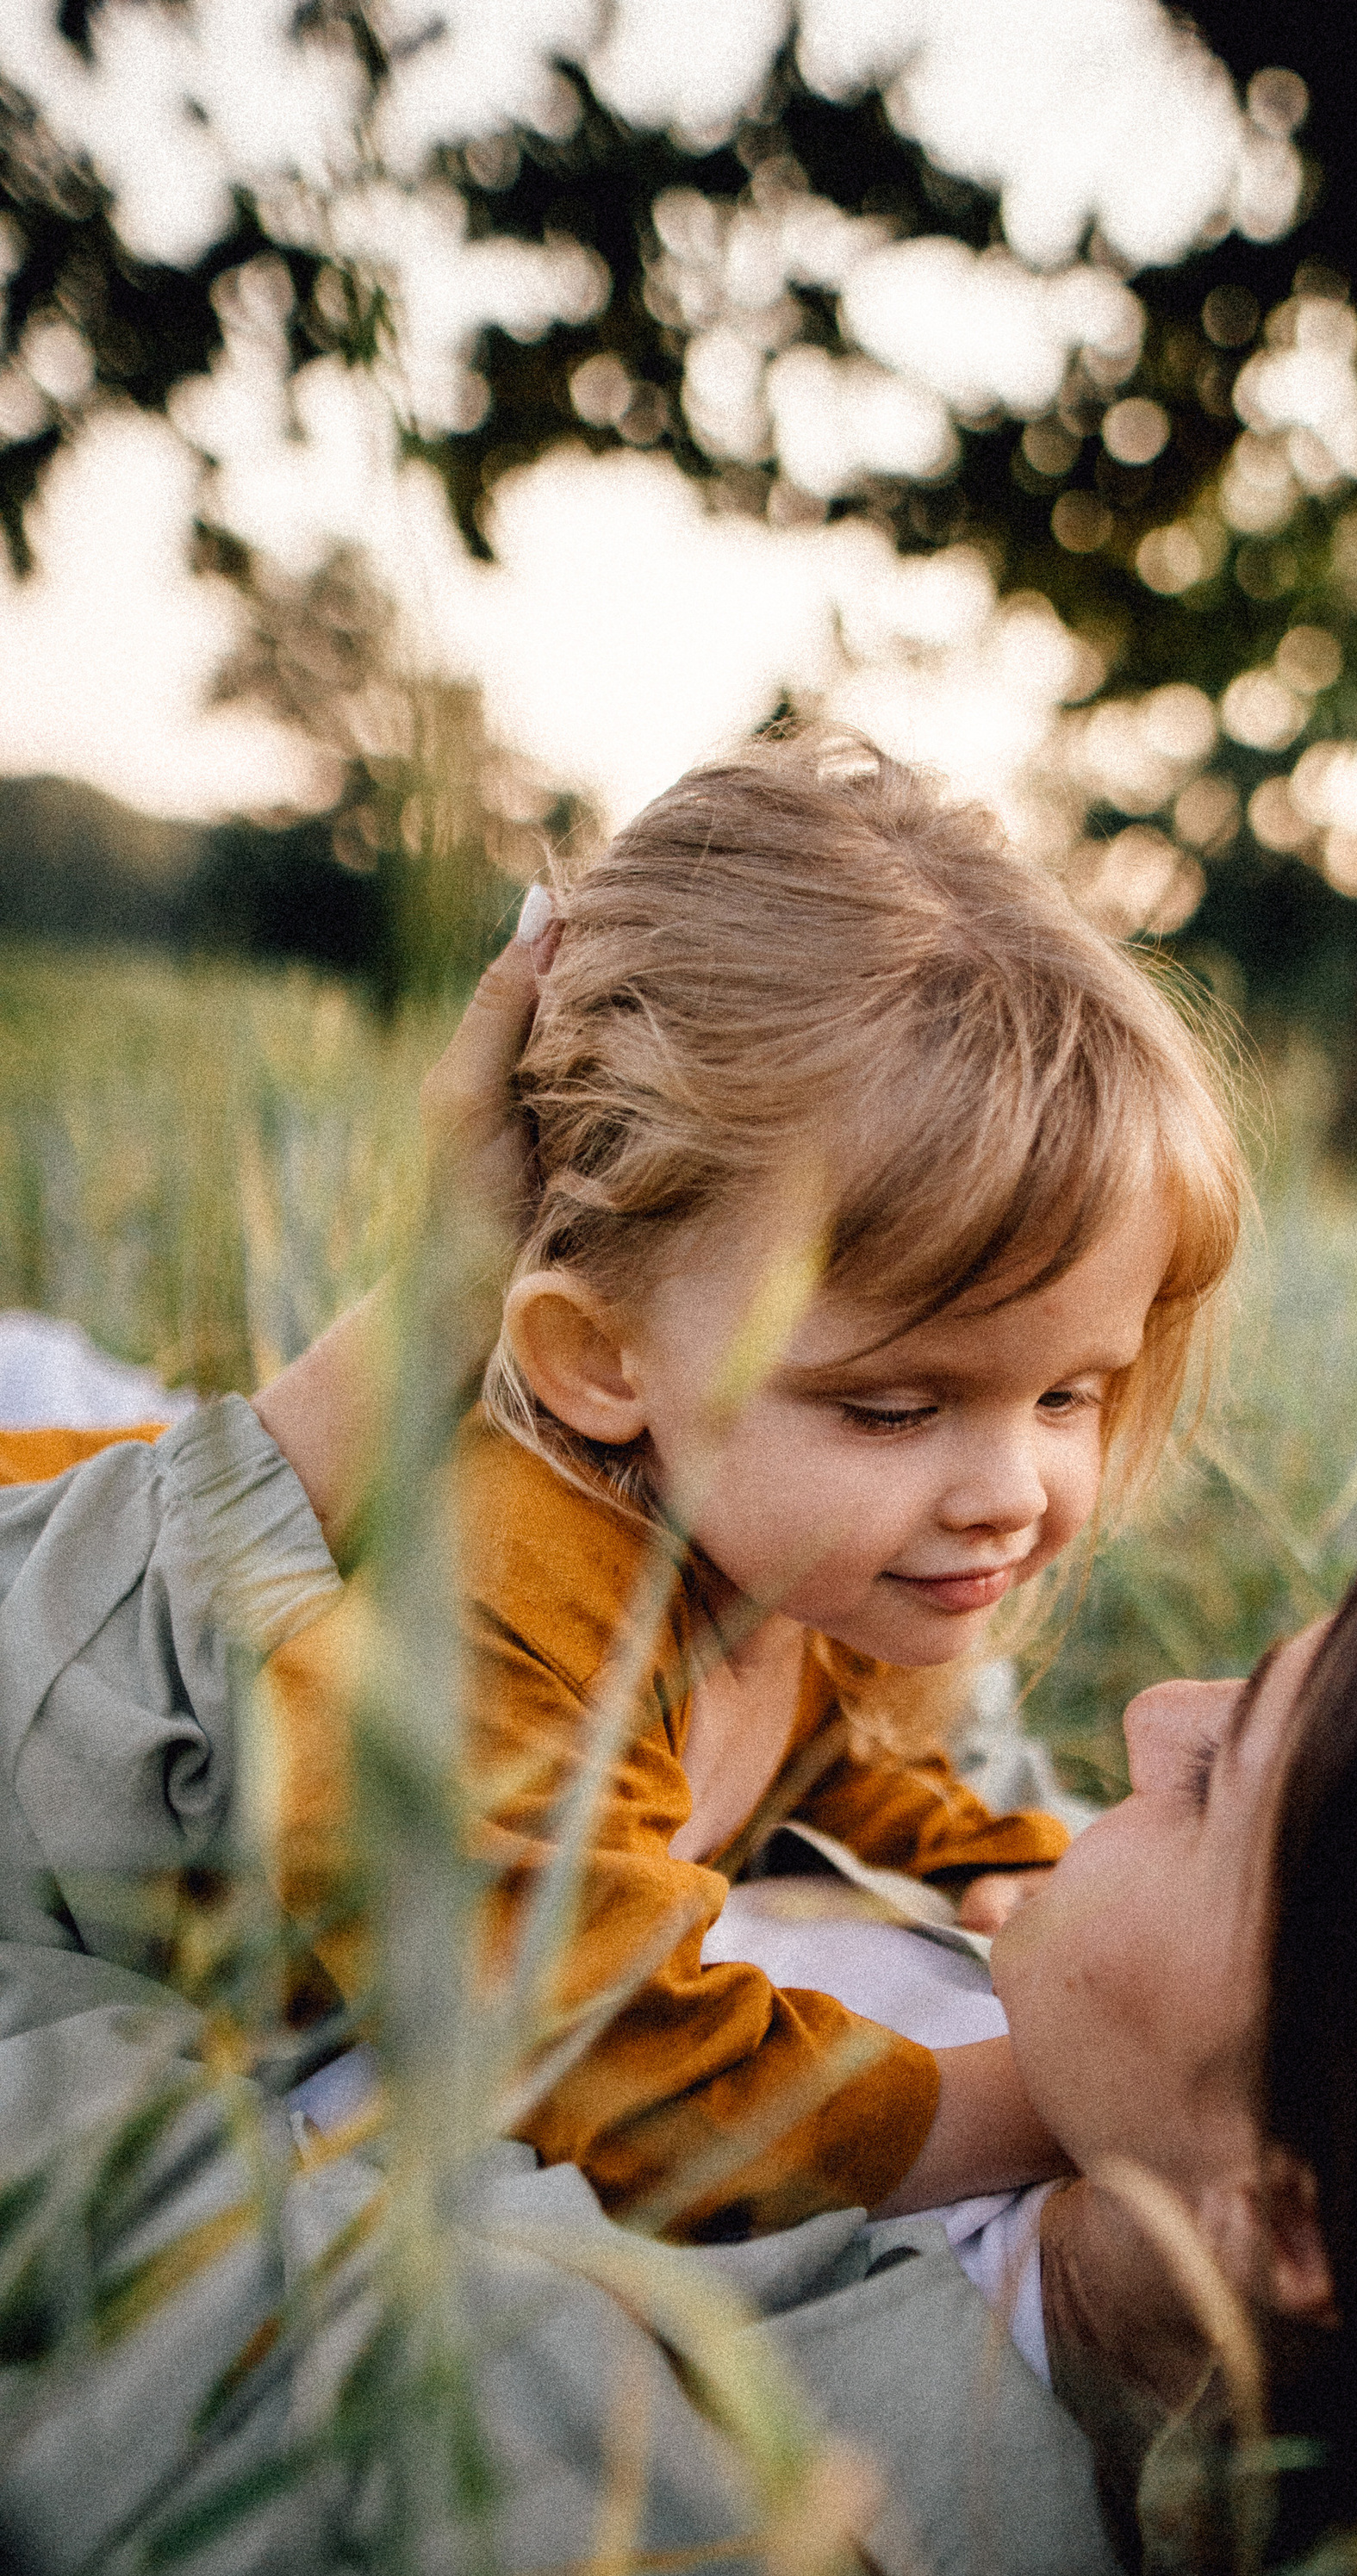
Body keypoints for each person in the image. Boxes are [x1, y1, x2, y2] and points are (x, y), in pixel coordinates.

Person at [236, 733, 1248, 2243]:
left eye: (1068, 1396)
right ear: (601, 1360)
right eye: (895, 1408)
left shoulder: (776, 1566)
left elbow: (831, 1775)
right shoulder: (509, 1587)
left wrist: (1036, 1882)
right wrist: (1067, 2101)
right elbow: (600, 2059)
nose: (1010, 1491)